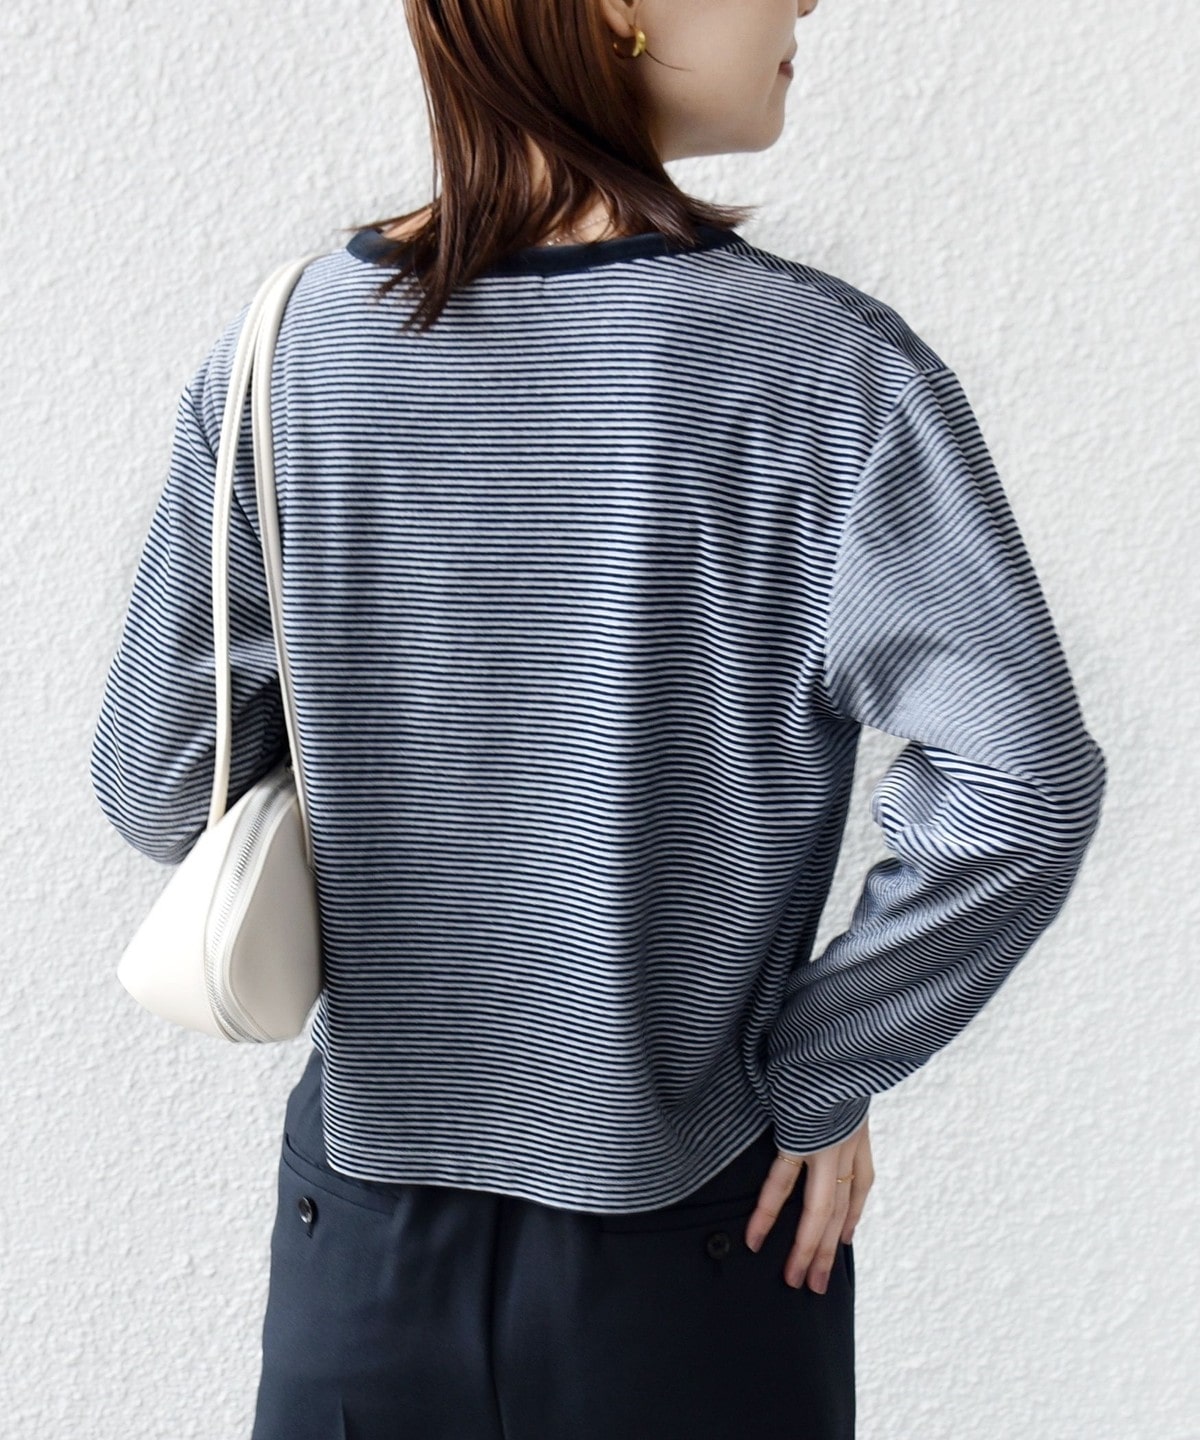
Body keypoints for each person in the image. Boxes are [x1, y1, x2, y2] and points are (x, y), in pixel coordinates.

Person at [89, 0, 1107, 1436]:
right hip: (691, 1251)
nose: (808, 0)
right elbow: (1024, 790)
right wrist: (822, 1071)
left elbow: (156, 785)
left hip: (361, 1249)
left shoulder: (291, 348)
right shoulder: (828, 375)